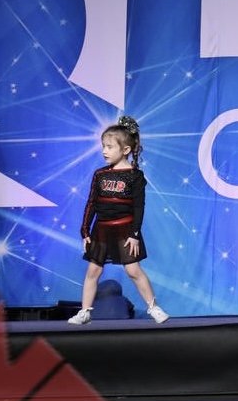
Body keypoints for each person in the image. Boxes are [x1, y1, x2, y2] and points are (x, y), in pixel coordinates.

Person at [68, 115, 169, 325]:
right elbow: (91, 203)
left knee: (133, 270)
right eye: (103, 146)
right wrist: (85, 231)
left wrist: (134, 234)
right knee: (93, 271)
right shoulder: (100, 175)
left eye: (109, 147)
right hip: (101, 230)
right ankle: (85, 312)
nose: (104, 151)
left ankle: (154, 307)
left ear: (125, 149)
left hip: (125, 230)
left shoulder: (135, 176)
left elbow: (139, 207)